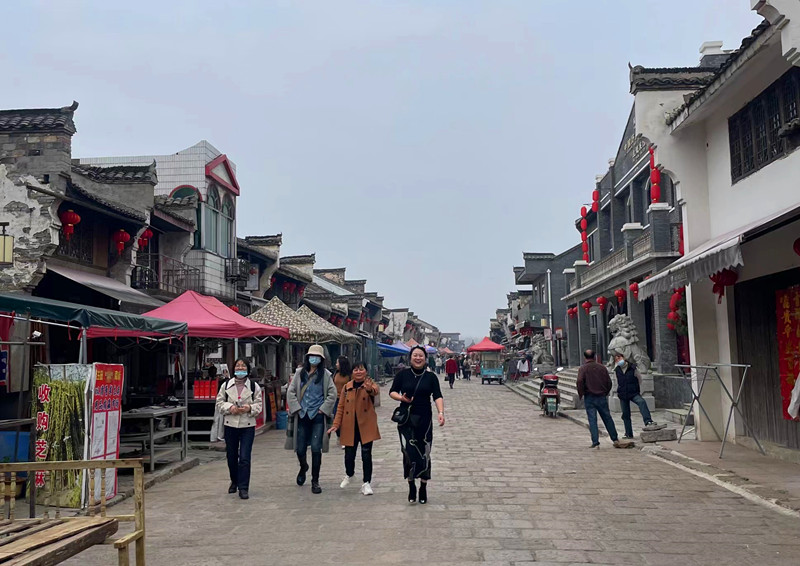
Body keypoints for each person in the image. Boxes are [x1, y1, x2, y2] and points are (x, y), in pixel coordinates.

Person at [389, 345, 444, 504]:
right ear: (410, 358)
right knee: (408, 452)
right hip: (406, 420)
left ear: (425, 359)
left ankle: (423, 486)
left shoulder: (431, 377)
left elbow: (437, 396)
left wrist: (441, 412)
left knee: (424, 451)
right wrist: (401, 398)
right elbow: (392, 391)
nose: (418, 358)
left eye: (421, 356)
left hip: (424, 419)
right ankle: (411, 484)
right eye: (415, 355)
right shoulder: (402, 375)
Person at [286, 345, 337, 494]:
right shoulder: (299, 373)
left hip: (317, 416)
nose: (314, 359)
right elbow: (291, 392)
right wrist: (296, 407)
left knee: (316, 448)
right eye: (311, 356)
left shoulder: (326, 375)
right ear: (307, 357)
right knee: (300, 448)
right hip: (302, 415)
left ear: (321, 359)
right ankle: (303, 467)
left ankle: (315, 481)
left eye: (317, 356)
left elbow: (332, 394)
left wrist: (323, 409)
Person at [327, 360, 380, 495]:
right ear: (352, 372)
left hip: (366, 425)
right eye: (356, 369)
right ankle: (350, 474)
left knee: (366, 455)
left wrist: (368, 388)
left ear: (366, 371)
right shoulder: (347, 388)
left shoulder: (370, 384)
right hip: (349, 426)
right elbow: (340, 407)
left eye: (361, 369)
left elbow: (374, 391)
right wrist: (336, 424)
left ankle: (366, 482)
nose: (358, 372)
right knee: (349, 455)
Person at [215, 358, 263, 499]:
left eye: (243, 366)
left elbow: (259, 404)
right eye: (238, 366)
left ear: (248, 369)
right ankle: (234, 480)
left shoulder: (254, 386)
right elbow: (219, 402)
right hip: (230, 424)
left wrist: (249, 408)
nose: (240, 368)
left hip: (247, 425)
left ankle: (243, 487)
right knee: (231, 456)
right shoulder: (226, 385)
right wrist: (230, 408)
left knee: (244, 457)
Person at [576, 349, 622, 449]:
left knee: (592, 419)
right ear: (594, 356)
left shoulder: (583, 368)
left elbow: (579, 381)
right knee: (607, 418)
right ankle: (614, 438)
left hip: (589, 396)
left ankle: (595, 442)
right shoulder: (602, 368)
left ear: (584, 358)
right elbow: (609, 382)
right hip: (601, 396)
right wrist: (605, 392)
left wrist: (581, 393)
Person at [612, 352, 663, 438]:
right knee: (625, 414)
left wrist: (637, 389)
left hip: (633, 392)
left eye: (619, 358)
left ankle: (648, 421)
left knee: (641, 402)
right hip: (623, 394)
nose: (618, 360)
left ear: (624, 358)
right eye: (616, 359)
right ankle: (628, 433)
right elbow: (616, 382)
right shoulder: (617, 370)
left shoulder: (633, 368)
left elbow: (640, 379)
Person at [331, 356, 352, 446]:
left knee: (345, 419)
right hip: (336, 399)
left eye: (337, 363)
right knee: (336, 417)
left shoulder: (349, 375)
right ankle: (339, 435)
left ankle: (345, 437)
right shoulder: (335, 373)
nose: (336, 364)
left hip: (347, 399)